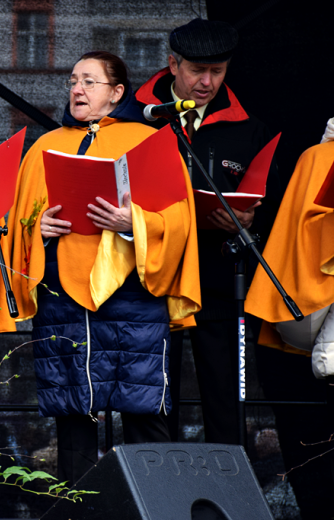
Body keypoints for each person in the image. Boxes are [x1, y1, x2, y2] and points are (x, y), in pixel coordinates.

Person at [0, 51, 200, 484]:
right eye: (73, 80)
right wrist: (40, 228)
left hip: (133, 298)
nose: (77, 89)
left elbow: (181, 220)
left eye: (89, 81)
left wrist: (135, 224)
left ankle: (157, 511)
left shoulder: (149, 139)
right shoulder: (44, 146)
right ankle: (79, 513)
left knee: (143, 414)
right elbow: (17, 226)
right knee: (73, 421)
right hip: (64, 301)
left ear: (117, 92)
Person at [135, 18, 282, 445]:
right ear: (172, 64)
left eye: (217, 71)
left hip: (219, 280)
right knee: (156, 399)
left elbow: (270, 204)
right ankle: (159, 497)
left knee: (224, 399)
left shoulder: (249, 128)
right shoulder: (135, 121)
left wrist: (251, 219)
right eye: (197, 70)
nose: (207, 82)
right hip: (153, 283)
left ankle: (229, 496)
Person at [245, 126, 334, 518]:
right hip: (305, 330)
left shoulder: (314, 159)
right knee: (309, 436)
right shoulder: (316, 161)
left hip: (300, 327)